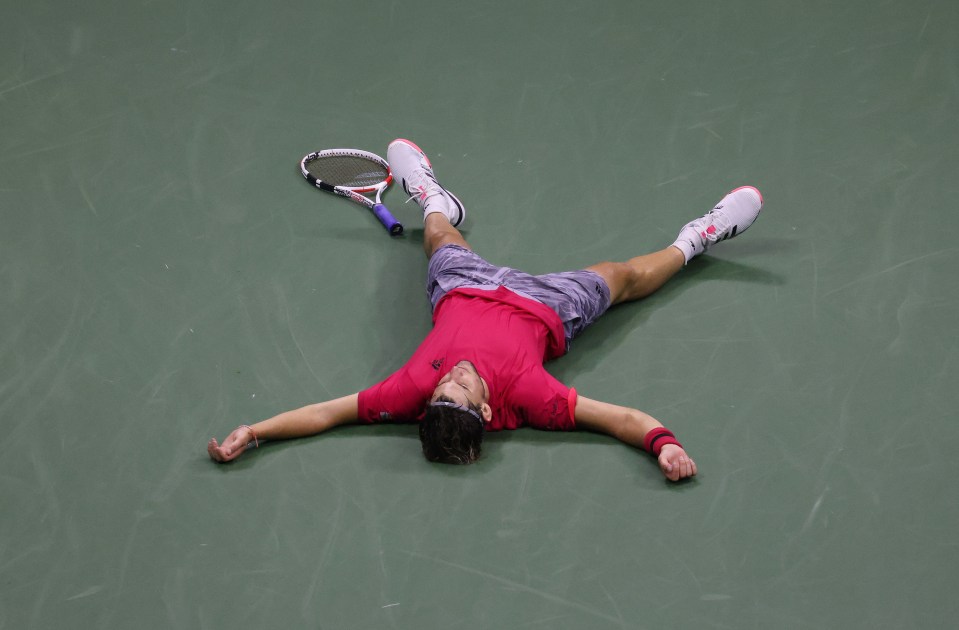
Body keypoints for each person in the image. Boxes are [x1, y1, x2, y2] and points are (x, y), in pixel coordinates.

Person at [208, 139, 764, 481]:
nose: (453, 376)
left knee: (437, 234)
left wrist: (254, 430)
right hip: (547, 306)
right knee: (622, 277)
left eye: (442, 389)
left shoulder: (409, 395)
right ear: (491, 413)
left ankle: (432, 197)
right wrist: (665, 447)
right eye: (462, 389)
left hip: (463, 285)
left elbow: (326, 414)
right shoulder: (532, 400)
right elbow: (621, 420)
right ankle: (701, 236)